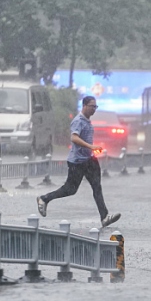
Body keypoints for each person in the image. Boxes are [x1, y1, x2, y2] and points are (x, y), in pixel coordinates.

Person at [36, 96, 121, 228]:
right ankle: (44, 198)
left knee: (97, 187)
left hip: (89, 160)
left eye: (95, 107)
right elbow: (74, 138)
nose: (94, 109)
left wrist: (92, 150)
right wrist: (91, 146)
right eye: (92, 106)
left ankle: (104, 217)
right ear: (84, 106)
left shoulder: (87, 121)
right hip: (77, 162)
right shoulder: (78, 121)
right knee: (70, 189)